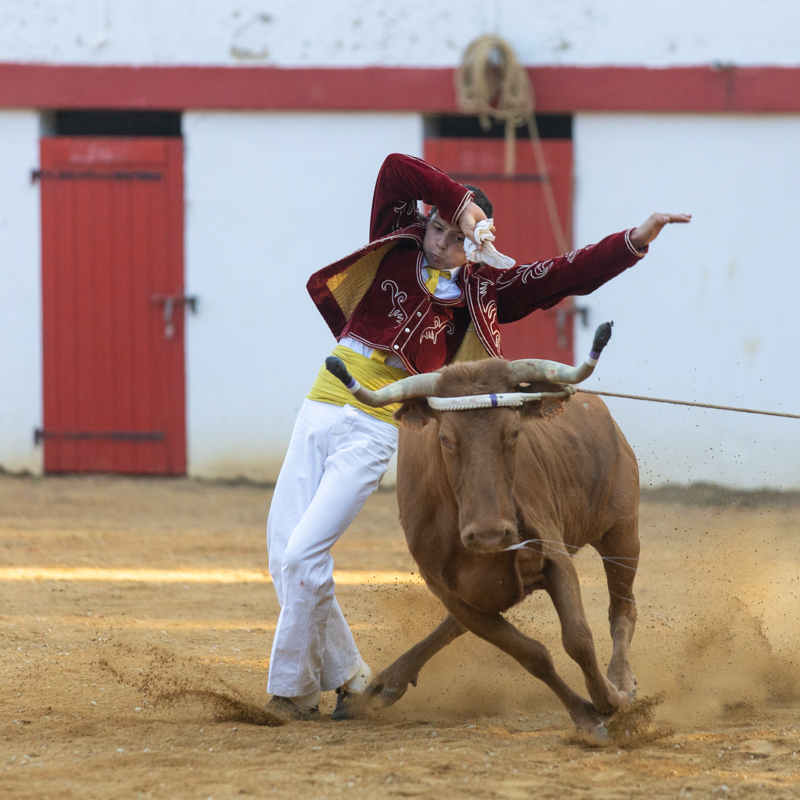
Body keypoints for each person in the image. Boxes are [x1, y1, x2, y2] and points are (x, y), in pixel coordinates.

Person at [265, 152, 689, 720]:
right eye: (437, 228)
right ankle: (348, 675)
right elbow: (394, 168)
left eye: (455, 236)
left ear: (478, 247)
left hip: (376, 421)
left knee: (303, 554)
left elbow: (562, 273)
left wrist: (633, 241)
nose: (441, 243)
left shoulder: (482, 292)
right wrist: (461, 206)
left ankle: (290, 693)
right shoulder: (396, 240)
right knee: (287, 555)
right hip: (321, 402)